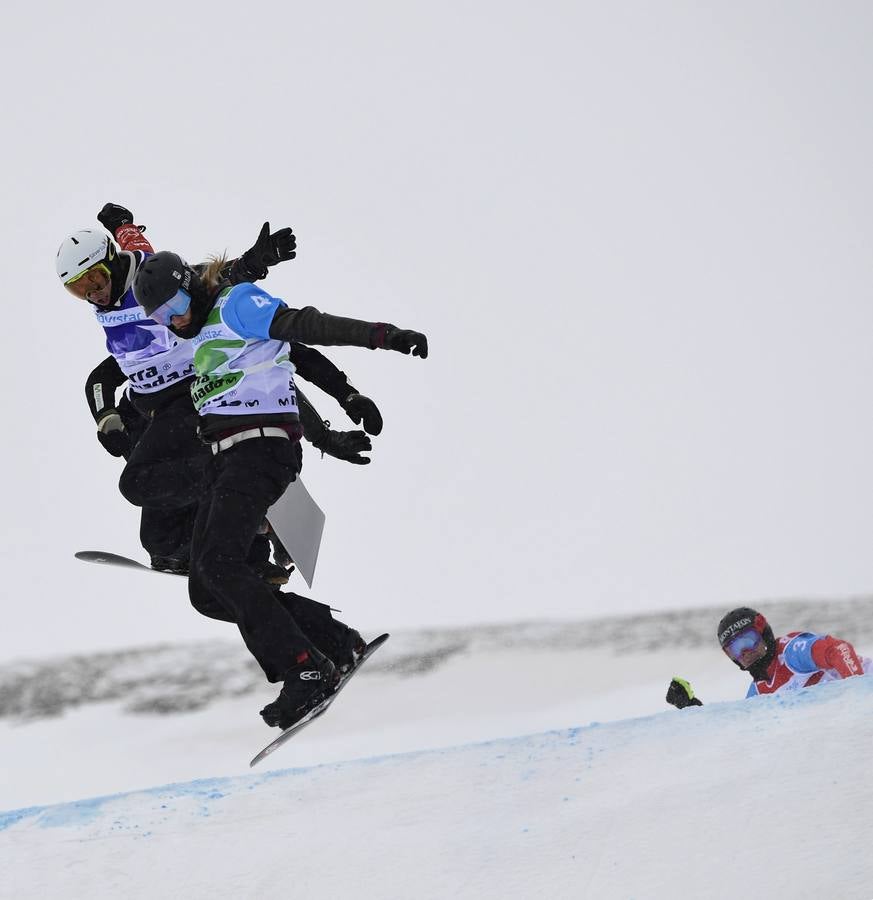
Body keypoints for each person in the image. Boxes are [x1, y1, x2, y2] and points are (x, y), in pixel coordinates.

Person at [131, 249, 427, 731]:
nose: (175, 319)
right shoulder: (204, 333)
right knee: (206, 590)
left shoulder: (235, 305)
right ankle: (332, 640)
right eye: (161, 317)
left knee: (219, 564)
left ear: (193, 285)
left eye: (177, 303)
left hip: (260, 450)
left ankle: (303, 669)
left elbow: (305, 330)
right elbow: (294, 358)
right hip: (228, 458)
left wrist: (381, 337)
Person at [61, 204, 378, 575]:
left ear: (112, 263)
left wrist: (326, 436)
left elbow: (216, 282)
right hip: (152, 406)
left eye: (95, 280)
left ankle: (251, 518)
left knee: (149, 477)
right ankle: (230, 553)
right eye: (78, 290)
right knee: (160, 543)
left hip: (195, 401)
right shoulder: (124, 294)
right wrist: (120, 223)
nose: (93, 293)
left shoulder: (156, 285)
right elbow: (133, 240)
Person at [666, 606, 870, 708]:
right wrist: (692, 708)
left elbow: (838, 649)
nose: (744, 653)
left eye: (748, 641)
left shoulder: (791, 653)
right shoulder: (757, 692)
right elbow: (743, 735)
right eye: (734, 650)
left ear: (763, 633)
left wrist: (860, 695)